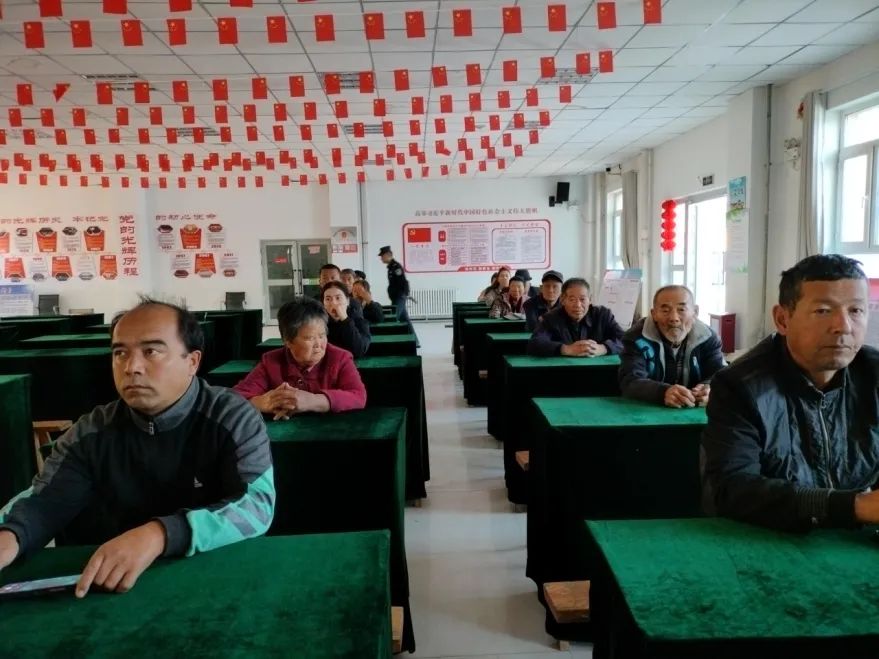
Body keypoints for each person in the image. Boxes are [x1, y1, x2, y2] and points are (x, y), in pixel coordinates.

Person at [0, 299, 275, 597]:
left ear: (192, 362)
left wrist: (159, 534)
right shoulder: (91, 431)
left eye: (151, 351)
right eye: (120, 353)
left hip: (216, 582)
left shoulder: (231, 416)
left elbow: (256, 506)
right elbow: (45, 501)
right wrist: (10, 534)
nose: (132, 367)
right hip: (110, 592)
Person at [701, 254, 879, 531]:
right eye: (823, 311)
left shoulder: (874, 374)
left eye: (856, 310)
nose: (843, 326)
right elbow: (732, 488)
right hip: (773, 539)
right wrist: (854, 506)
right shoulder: (740, 385)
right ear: (782, 319)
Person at [234, 297, 366, 418]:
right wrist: (261, 402)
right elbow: (234, 397)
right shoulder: (271, 361)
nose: (319, 344)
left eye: (322, 336)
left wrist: (313, 400)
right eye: (310, 338)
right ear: (288, 341)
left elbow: (358, 396)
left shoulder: (340, 358)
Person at [619, 285, 726, 408]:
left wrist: (710, 388)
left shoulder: (708, 337)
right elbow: (630, 381)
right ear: (654, 314)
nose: (674, 318)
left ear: (695, 312)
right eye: (665, 311)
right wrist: (663, 392)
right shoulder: (636, 338)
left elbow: (721, 376)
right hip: (648, 411)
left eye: (681, 309)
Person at [528, 277, 624, 357]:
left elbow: (624, 340)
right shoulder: (551, 318)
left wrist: (603, 348)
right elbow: (534, 344)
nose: (578, 305)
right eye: (572, 299)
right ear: (563, 300)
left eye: (582, 299)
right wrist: (565, 349)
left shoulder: (603, 315)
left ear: (590, 299)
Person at [378, 245, 418, 343]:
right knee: (405, 319)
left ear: (388, 255)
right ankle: (415, 341)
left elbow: (402, 281)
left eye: (382, 256)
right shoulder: (391, 267)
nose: (381, 258)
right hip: (396, 296)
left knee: (394, 318)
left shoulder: (396, 266)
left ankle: (391, 341)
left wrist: (405, 295)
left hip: (399, 296)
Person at [321, 281, 371, 358]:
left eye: (338, 298)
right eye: (328, 299)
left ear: (347, 301)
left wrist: (345, 319)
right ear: (323, 303)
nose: (333, 303)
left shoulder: (360, 322)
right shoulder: (319, 323)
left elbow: (359, 350)